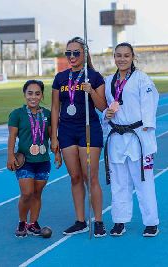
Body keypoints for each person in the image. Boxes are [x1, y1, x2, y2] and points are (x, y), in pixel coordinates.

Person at [50, 37, 108, 237]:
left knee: (90, 176)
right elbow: (55, 108)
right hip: (66, 131)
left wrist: (90, 90)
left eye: (76, 53)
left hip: (88, 129)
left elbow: (103, 107)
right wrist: (54, 137)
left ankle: (98, 221)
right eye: (68, 53)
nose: (72, 57)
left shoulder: (94, 76)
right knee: (74, 177)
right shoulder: (60, 78)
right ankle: (80, 221)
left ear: (84, 55)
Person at [103, 42, 160, 237]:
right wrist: (106, 113)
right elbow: (107, 106)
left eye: (126, 55)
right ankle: (119, 221)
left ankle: (151, 222)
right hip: (117, 137)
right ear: (114, 57)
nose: (122, 59)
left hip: (138, 137)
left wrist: (147, 131)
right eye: (118, 55)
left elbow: (150, 105)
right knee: (119, 182)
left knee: (143, 181)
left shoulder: (142, 79)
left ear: (132, 57)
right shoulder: (109, 80)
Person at [7, 80, 62, 238]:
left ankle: (33, 223)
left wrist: (57, 153)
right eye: (30, 93)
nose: (33, 97)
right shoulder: (17, 114)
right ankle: (22, 222)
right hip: (24, 161)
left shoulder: (46, 114)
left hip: (43, 161)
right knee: (27, 193)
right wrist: (10, 155)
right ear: (24, 94)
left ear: (42, 95)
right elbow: (12, 137)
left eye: (37, 94)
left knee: (37, 193)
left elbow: (53, 137)